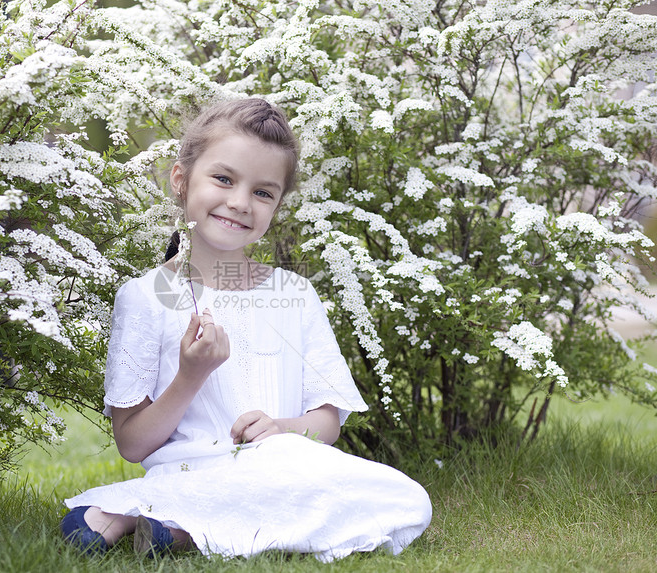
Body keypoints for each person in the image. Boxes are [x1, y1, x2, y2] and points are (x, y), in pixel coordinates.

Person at [60, 98, 432, 562]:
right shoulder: (146, 297)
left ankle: (159, 527)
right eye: (223, 179)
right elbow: (133, 443)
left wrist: (283, 429)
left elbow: (327, 421)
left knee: (407, 500)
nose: (240, 202)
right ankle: (179, 517)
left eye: (263, 192)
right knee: (249, 487)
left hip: (286, 465)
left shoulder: (293, 292)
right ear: (180, 180)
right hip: (189, 471)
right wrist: (189, 377)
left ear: (277, 204)